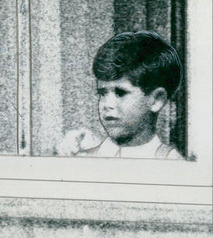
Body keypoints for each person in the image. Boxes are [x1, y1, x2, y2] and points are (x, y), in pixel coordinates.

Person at [59, 31, 183, 159]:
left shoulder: (171, 163)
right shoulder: (83, 157)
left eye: (120, 93)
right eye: (102, 93)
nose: (107, 105)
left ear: (156, 100)